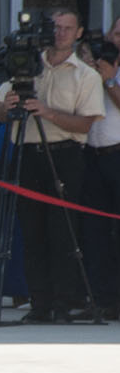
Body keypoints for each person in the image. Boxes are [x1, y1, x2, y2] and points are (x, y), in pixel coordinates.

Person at [0, 7, 105, 322]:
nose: (60, 33)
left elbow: (85, 124)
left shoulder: (86, 75)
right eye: (56, 27)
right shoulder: (26, 63)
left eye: (68, 28)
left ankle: (62, 303)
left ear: (78, 33)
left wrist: (48, 112)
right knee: (32, 231)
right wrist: (7, 107)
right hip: (28, 152)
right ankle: (39, 303)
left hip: (65, 154)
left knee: (62, 231)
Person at [83, 41, 120, 318]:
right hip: (92, 157)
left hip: (117, 155)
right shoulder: (85, 76)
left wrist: (109, 81)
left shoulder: (111, 78)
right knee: (94, 231)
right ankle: (101, 298)